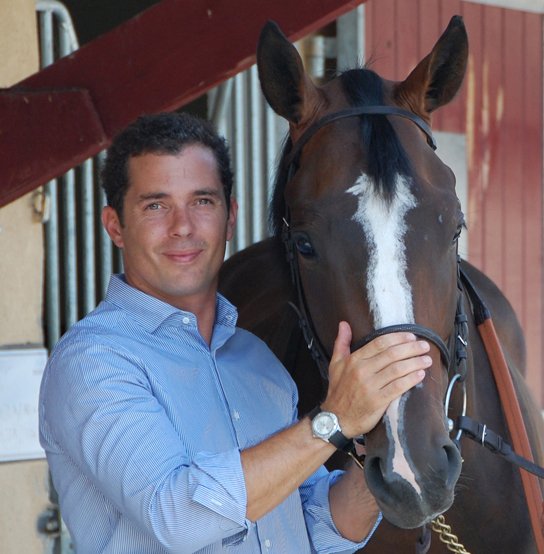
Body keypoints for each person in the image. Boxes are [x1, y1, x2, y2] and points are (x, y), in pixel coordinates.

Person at [39, 112, 431, 554]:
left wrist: (381, 446)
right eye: (156, 206)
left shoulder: (256, 360)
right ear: (115, 226)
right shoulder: (93, 362)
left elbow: (311, 527)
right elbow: (178, 517)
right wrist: (334, 420)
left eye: (202, 201)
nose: (182, 226)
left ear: (230, 218)